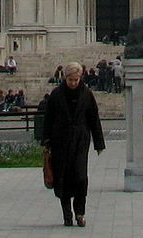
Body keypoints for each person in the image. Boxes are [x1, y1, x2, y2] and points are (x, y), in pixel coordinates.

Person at [42, 62, 104, 228]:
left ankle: (80, 212)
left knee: (80, 177)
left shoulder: (86, 94)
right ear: (65, 78)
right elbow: (48, 118)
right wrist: (46, 140)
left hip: (80, 140)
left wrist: (99, 142)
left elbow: (93, 118)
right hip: (60, 141)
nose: (73, 83)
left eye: (76, 80)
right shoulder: (56, 94)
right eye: (70, 80)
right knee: (63, 177)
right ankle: (67, 214)